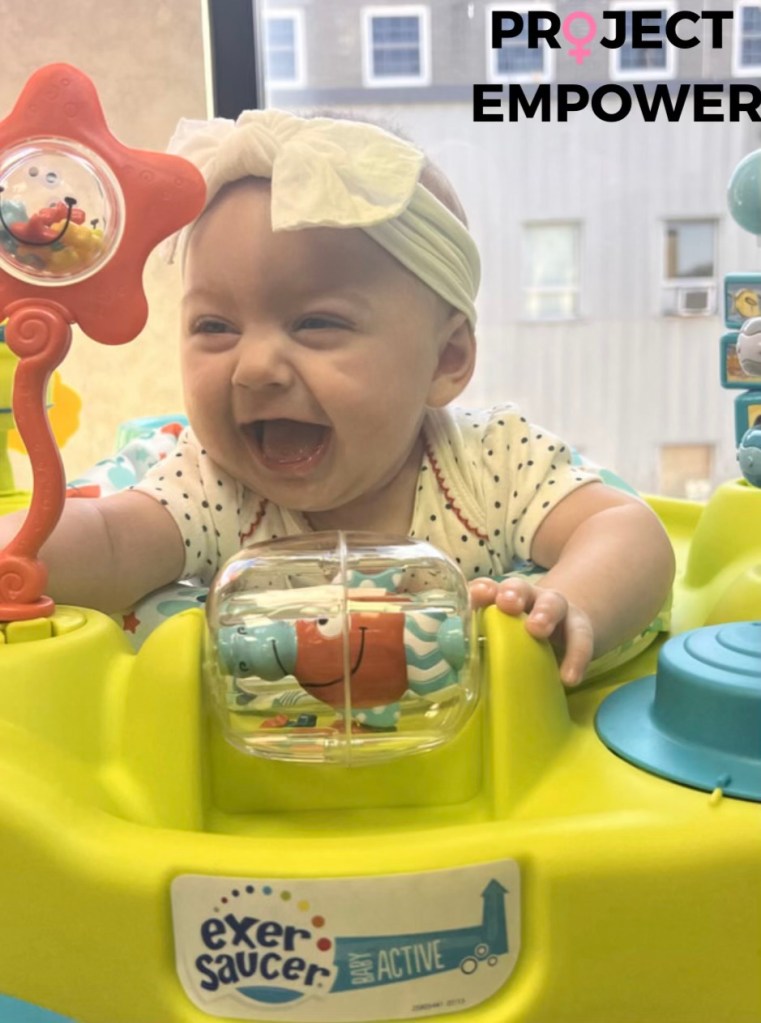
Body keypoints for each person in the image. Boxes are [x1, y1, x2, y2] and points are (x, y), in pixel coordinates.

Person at [0, 110, 674, 686]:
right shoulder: (212, 483)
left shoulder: (489, 464)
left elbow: (625, 531)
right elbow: (110, 541)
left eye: (316, 322)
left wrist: (570, 603)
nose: (255, 367)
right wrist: (21, 550)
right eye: (215, 326)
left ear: (446, 359)